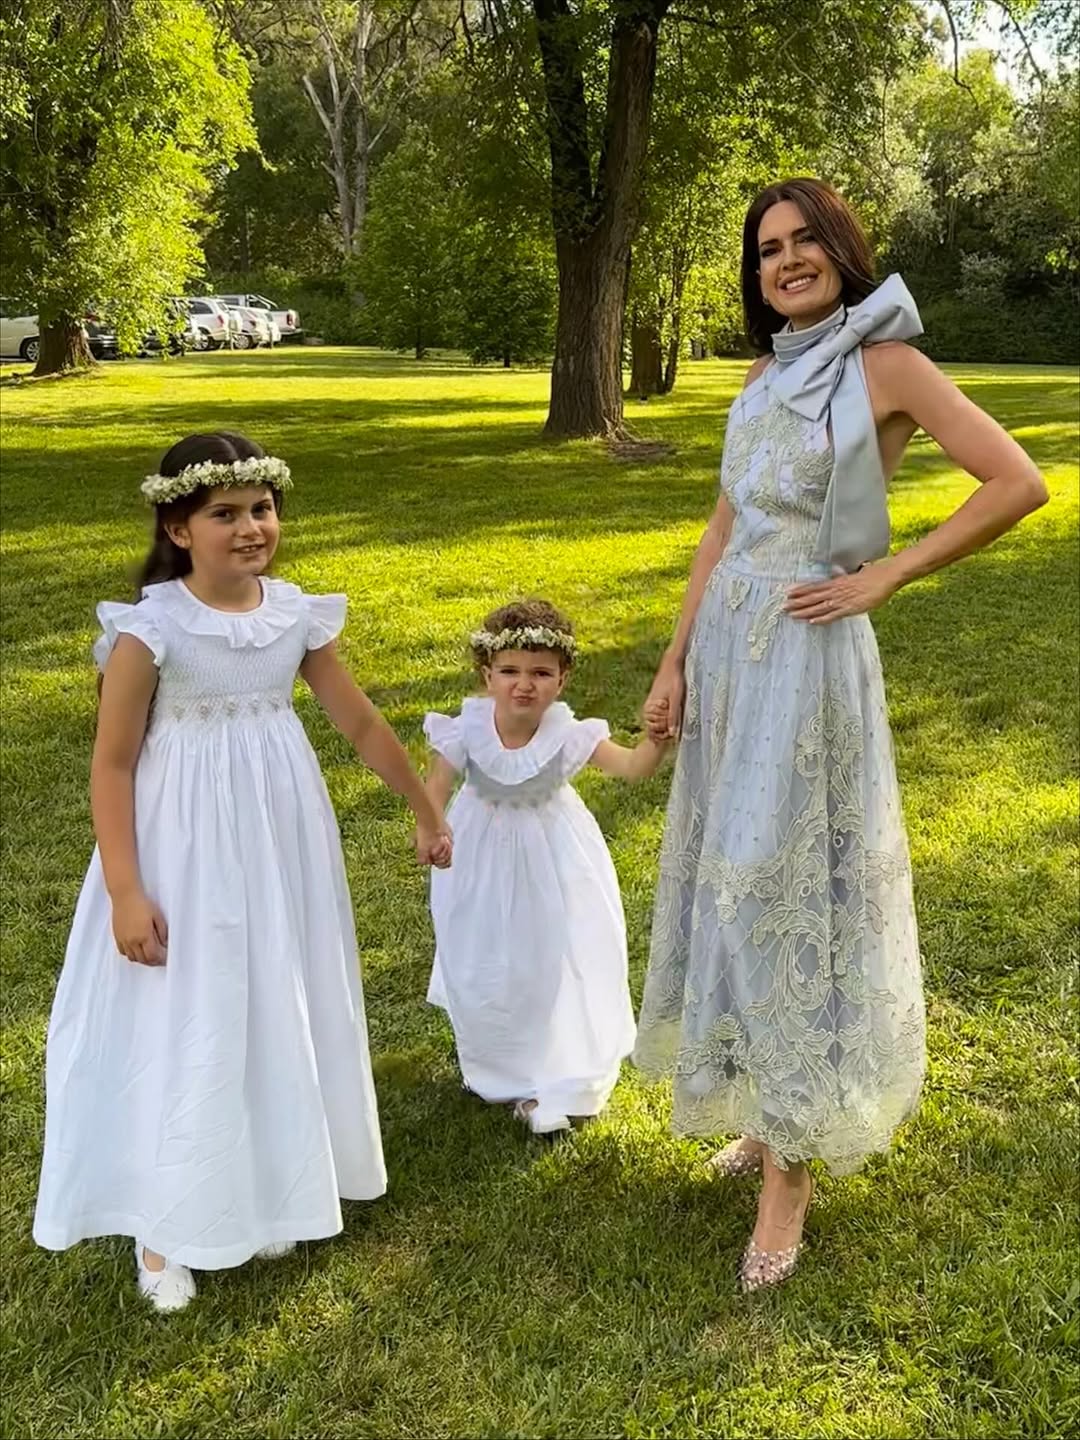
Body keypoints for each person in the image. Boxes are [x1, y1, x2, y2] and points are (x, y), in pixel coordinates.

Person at [635, 178, 1048, 1293]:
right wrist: (674, 662)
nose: (785, 260)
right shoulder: (763, 379)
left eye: (804, 238)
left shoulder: (888, 365)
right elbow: (722, 527)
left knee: (792, 887)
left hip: (813, 659)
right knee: (730, 883)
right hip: (731, 657)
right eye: (767, 249)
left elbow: (1018, 482)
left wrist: (889, 573)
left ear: (841, 247)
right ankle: (770, 1115)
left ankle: (794, 1170)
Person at [33, 431, 453, 1312]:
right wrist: (124, 889)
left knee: (271, 996)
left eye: (261, 509)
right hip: (182, 847)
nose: (250, 527)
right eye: (224, 514)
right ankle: (162, 1223)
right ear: (179, 528)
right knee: (190, 1008)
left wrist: (423, 805)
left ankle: (264, 1186)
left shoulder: (293, 614)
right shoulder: (149, 631)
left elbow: (362, 724)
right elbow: (111, 765)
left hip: (279, 840)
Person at [421, 600, 670, 1136]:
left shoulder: (567, 734)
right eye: (509, 671)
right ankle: (498, 1064)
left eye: (540, 673)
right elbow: (436, 787)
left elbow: (630, 767)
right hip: (480, 863)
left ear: (562, 678)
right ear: (487, 674)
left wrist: (656, 741)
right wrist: (432, 825)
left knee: (548, 958)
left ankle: (550, 1069)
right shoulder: (467, 729)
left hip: (552, 863)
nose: (523, 685)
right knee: (486, 956)